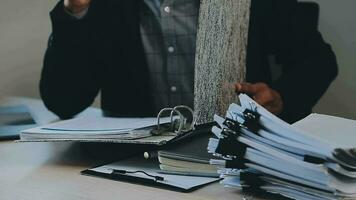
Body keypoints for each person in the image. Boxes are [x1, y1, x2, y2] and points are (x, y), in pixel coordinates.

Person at [40, 0, 338, 123]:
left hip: (240, 160)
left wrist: (281, 97)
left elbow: (318, 60)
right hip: (132, 169)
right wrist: (74, 11)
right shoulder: (103, 6)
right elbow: (64, 102)